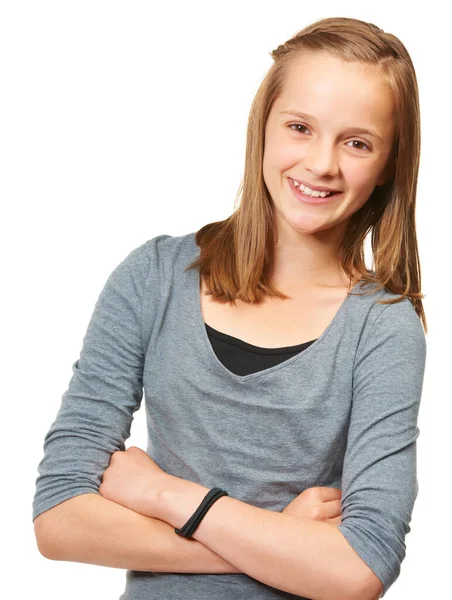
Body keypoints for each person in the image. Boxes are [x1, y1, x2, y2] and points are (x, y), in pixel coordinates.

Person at [32, 16, 427, 600]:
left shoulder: (383, 326)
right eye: (300, 127)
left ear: (389, 164)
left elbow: (360, 567)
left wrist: (168, 496)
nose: (322, 164)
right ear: (262, 129)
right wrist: (277, 541)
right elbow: (58, 517)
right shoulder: (155, 277)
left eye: (357, 142)